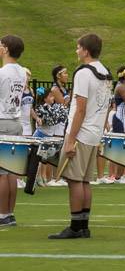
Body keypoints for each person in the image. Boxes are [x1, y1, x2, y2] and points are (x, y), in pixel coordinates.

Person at [49, 33, 112, 239]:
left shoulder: (84, 73)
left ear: (85, 50)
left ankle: (76, 226)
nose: (76, 51)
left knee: (75, 180)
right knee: (84, 181)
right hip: (94, 132)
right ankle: (83, 225)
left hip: (82, 132)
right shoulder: (105, 71)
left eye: (78, 48)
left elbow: (80, 108)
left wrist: (70, 139)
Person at [0, 35, 28, 227]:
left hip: (2, 120)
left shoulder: (3, 72)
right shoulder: (22, 72)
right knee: (11, 172)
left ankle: (2, 214)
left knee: (2, 173)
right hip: (15, 121)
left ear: (6, 49)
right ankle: (9, 213)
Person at [34, 65, 70, 186]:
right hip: (55, 124)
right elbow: (62, 106)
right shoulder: (55, 89)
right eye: (64, 73)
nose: (67, 75)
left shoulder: (63, 88)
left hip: (61, 122)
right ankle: (49, 178)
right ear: (58, 76)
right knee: (50, 151)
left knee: (54, 150)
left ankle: (55, 177)